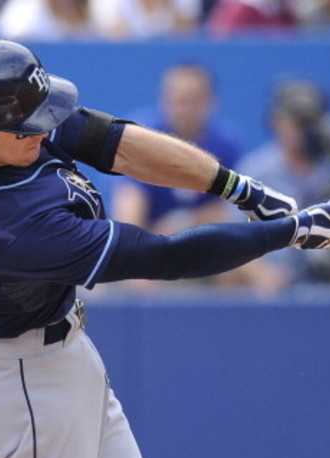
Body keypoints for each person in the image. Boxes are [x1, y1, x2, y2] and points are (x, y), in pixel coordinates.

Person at [0, 38, 330, 458]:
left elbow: (105, 139)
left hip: (53, 354)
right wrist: (285, 233)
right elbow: (166, 255)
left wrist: (237, 187)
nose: (42, 130)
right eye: (24, 128)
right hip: (19, 384)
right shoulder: (10, 229)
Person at [112, 62, 288, 292]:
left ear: (209, 103)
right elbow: (129, 204)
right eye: (173, 100)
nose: (180, 109)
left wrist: (181, 222)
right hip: (152, 250)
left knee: (250, 269)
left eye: (189, 101)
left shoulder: (226, 144)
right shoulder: (142, 136)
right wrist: (135, 259)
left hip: (204, 249)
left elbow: (229, 213)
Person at [236, 77, 330, 284]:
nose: (303, 131)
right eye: (297, 122)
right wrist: (259, 272)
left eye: (310, 122)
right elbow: (231, 237)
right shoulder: (255, 173)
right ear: (275, 122)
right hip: (273, 292)